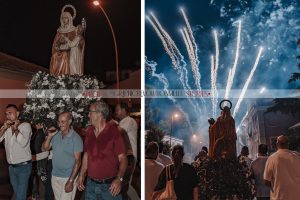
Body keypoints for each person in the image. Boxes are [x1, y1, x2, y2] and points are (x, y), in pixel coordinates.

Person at [77, 101, 127, 199]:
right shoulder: (90, 132)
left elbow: (123, 159)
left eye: (90, 112)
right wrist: (82, 174)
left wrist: (119, 179)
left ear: (99, 114)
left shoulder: (113, 132)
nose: (88, 115)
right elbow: (87, 155)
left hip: (109, 187)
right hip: (91, 185)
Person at [42, 112, 83, 200]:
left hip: (68, 177)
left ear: (70, 121)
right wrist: (49, 136)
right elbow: (44, 149)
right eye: (59, 122)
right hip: (55, 176)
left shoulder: (76, 138)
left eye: (63, 122)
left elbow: (78, 161)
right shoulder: (55, 135)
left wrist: (71, 181)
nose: (60, 124)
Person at [0, 104, 32, 200]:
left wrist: (15, 129)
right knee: (18, 193)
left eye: (10, 113)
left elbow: (23, 143)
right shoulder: (6, 127)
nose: (8, 116)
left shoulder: (26, 126)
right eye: (6, 114)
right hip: (11, 168)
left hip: (24, 167)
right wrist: (4, 129)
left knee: (20, 196)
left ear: (17, 113)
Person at [50, 5, 85, 75]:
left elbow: (77, 41)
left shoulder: (73, 30)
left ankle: (65, 77)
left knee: (65, 55)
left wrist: (81, 42)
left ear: (70, 19)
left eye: (66, 18)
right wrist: (57, 47)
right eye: (63, 18)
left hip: (70, 52)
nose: (64, 20)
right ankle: (54, 77)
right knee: (54, 56)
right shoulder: (59, 31)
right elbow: (55, 44)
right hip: (59, 50)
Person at [264, 135, 300, 200]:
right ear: (288, 144)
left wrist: (276, 185)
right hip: (297, 195)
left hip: (279, 196)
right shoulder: (297, 156)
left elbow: (266, 181)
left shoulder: (272, 158)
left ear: (277, 144)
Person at [115, 103, 138, 199]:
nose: (115, 112)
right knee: (125, 185)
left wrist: (112, 123)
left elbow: (118, 131)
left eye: (117, 109)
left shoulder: (128, 120)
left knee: (123, 184)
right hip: (126, 157)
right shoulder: (123, 122)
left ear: (124, 110)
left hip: (128, 157)